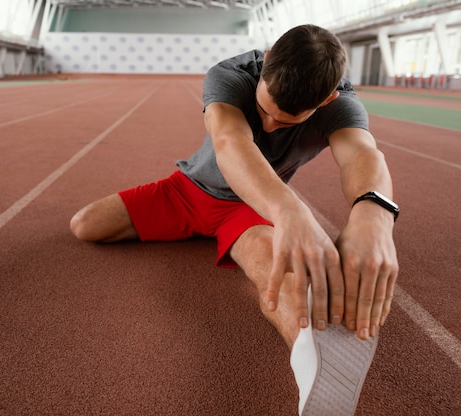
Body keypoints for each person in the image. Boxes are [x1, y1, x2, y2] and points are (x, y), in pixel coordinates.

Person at [70, 24, 399, 416]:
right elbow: (229, 143)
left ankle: (315, 365)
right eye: (264, 112)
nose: (271, 127)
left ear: (326, 100)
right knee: (85, 225)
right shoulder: (228, 75)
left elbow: (362, 154)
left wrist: (374, 213)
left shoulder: (340, 104)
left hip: (249, 208)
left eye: (288, 122)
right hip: (188, 191)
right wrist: (290, 209)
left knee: (272, 270)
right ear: (265, 66)